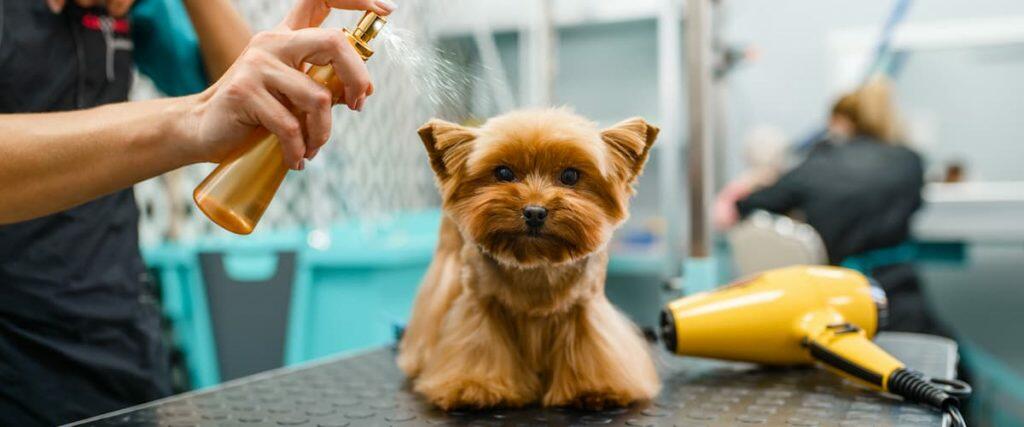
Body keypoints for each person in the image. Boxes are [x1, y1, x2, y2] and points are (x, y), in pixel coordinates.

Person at [0, 0, 394, 424]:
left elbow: (247, 106)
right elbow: (211, 109)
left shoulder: (138, 10)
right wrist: (193, 118)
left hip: (120, 323)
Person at [735, 78, 949, 336]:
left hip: (844, 297)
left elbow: (750, 205)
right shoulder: (909, 161)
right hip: (903, 295)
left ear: (839, 122)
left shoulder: (819, 164)